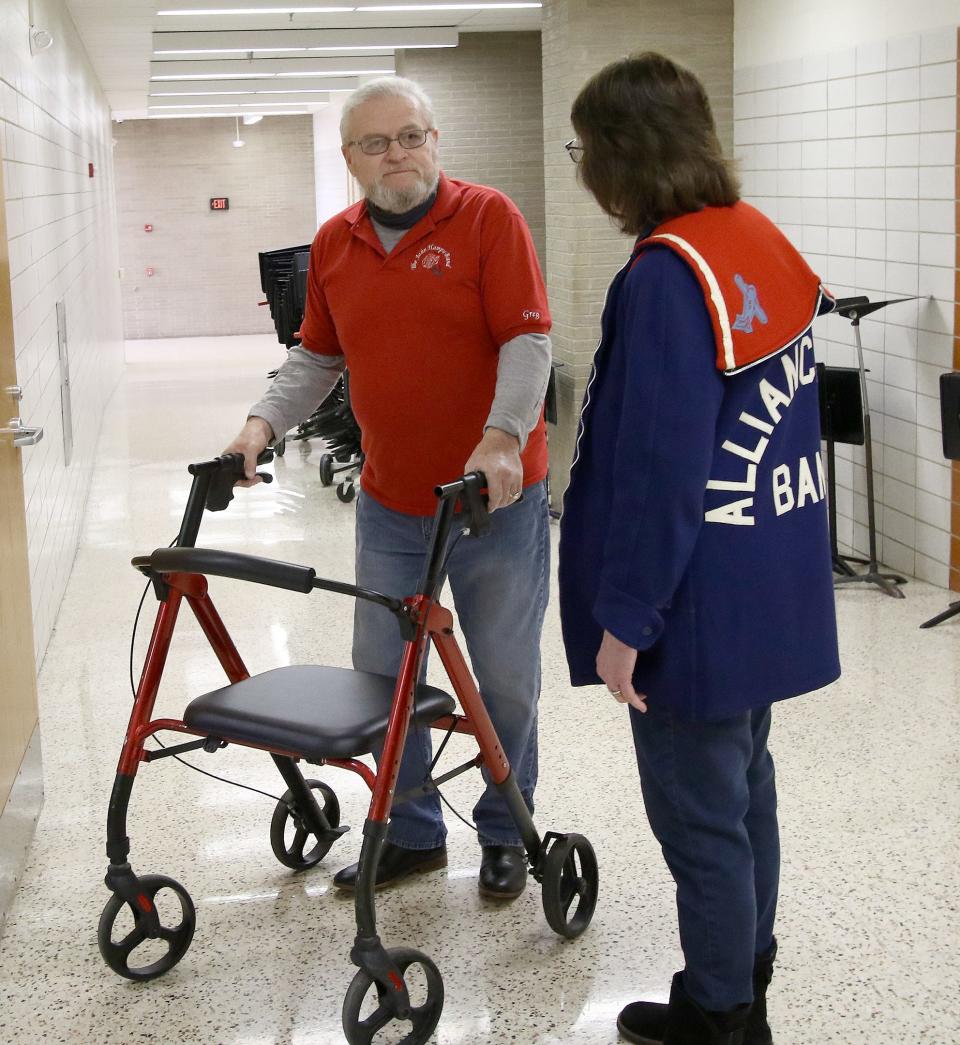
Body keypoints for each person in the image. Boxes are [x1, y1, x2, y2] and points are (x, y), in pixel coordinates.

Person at [558, 54, 841, 1045]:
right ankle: (743, 972)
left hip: (693, 604)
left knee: (699, 817)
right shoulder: (757, 241)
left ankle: (722, 1014)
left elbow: (658, 475)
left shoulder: (669, 277)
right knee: (743, 788)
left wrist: (625, 622)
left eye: (585, 150)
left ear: (618, 159)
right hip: (766, 577)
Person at [224, 76, 553, 900]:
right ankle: (412, 829)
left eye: (410, 137)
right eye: (375, 143)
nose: (396, 155)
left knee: (504, 674)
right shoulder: (336, 241)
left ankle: (508, 827)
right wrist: (263, 422)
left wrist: (504, 435)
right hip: (391, 502)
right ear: (350, 159)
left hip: (491, 501)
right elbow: (316, 358)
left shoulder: (488, 219)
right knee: (386, 673)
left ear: (435, 140)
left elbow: (527, 339)